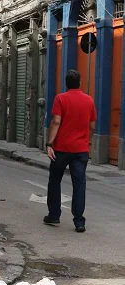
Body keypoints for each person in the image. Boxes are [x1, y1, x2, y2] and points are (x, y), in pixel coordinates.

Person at [44, 70, 96, 233]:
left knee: (55, 180)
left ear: (66, 84)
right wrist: (88, 142)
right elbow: (92, 125)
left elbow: (56, 121)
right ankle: (79, 222)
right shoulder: (89, 100)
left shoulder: (61, 98)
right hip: (81, 150)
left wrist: (49, 143)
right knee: (79, 184)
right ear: (80, 83)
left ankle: (54, 216)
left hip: (61, 149)